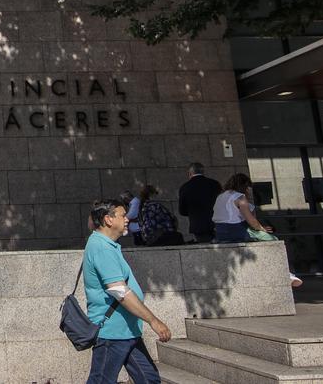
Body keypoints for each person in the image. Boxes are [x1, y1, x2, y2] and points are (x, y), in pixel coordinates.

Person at [83, 199, 171, 384]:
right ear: (108, 219)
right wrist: (153, 321)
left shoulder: (106, 245)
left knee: (149, 379)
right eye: (123, 215)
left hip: (126, 330)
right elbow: (119, 292)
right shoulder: (101, 247)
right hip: (112, 333)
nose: (127, 219)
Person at [213, 173, 303, 287]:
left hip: (220, 233)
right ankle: (286, 273)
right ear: (244, 186)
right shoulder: (239, 197)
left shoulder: (221, 196)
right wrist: (262, 229)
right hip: (236, 231)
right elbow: (251, 221)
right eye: (247, 188)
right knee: (272, 239)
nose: (248, 190)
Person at [178, 162, 222, 243]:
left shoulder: (185, 187)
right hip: (217, 223)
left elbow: (182, 211)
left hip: (198, 225)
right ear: (203, 171)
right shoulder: (214, 184)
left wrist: (193, 212)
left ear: (190, 173)